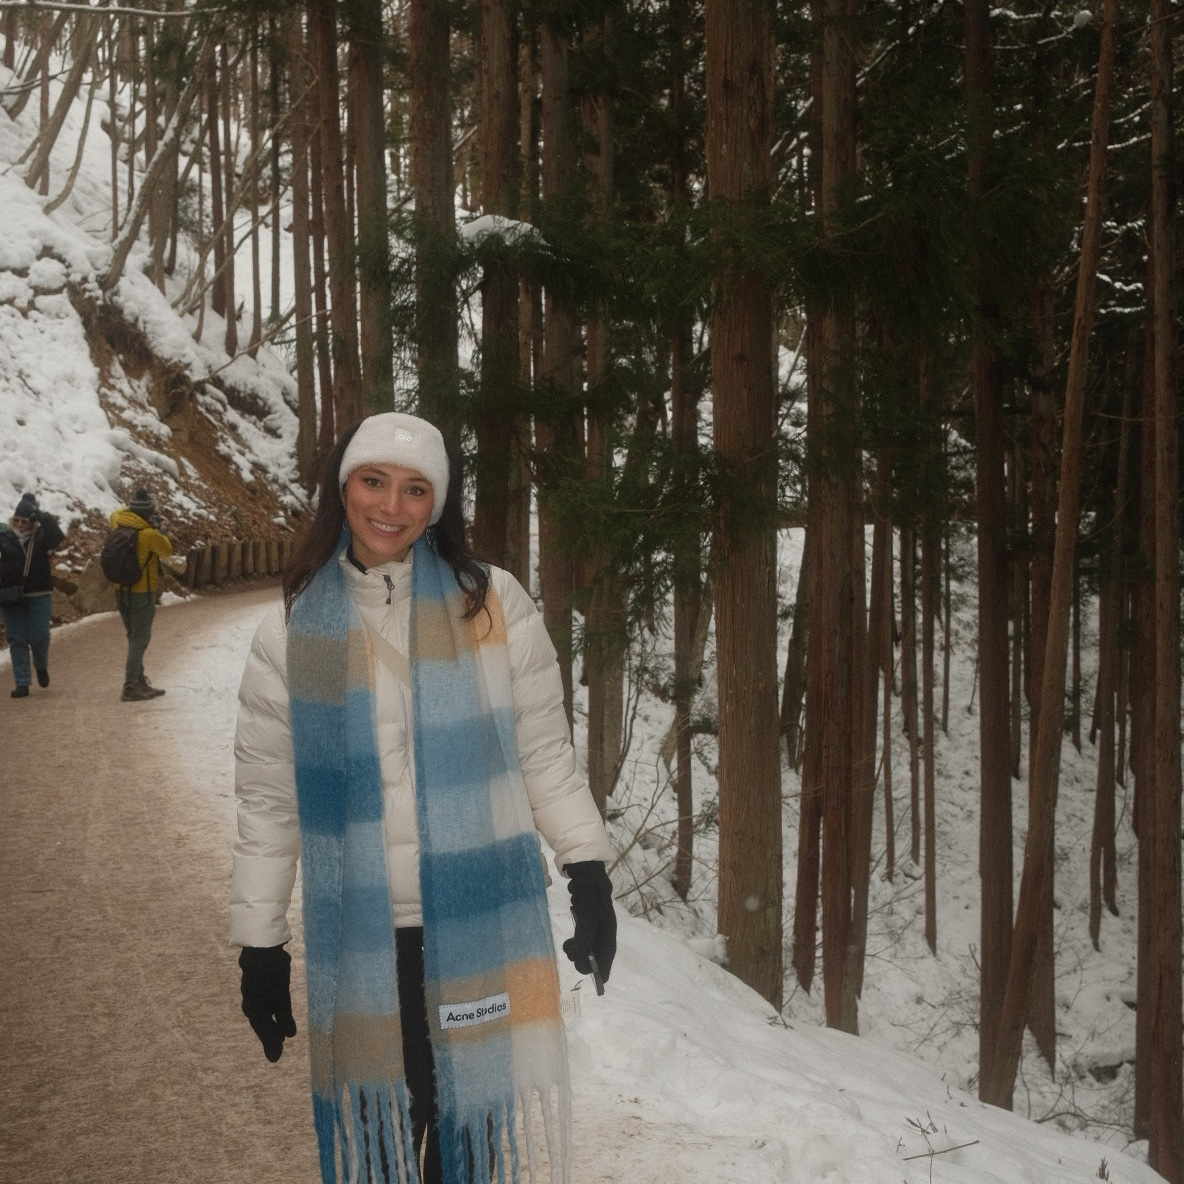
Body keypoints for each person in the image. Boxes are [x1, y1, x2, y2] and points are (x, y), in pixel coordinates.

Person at [230, 413, 617, 1184]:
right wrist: (260, 943)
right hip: (366, 939)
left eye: (415, 489)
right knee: (381, 1135)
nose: (391, 506)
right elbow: (270, 801)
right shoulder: (291, 629)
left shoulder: (491, 604)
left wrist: (587, 871)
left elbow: (542, 753)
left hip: (480, 923)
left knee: (473, 1135)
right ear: (342, 487)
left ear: (437, 503)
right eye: (374, 481)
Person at [0, 492, 65, 699]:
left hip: (39, 594)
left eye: (25, 521)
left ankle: (40, 665)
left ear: (33, 522)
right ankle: (22, 682)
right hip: (10, 596)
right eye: (17, 520)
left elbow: (58, 536)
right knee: (17, 639)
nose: (20, 524)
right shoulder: (4, 537)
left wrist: (41, 515)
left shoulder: (42, 538)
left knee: (40, 636)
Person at [110, 488, 172, 702]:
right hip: (142, 593)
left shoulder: (118, 523)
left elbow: (116, 512)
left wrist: (133, 507)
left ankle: (139, 680)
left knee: (133, 637)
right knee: (140, 638)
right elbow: (167, 550)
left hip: (120, 591)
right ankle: (130, 686)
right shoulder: (149, 535)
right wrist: (159, 527)